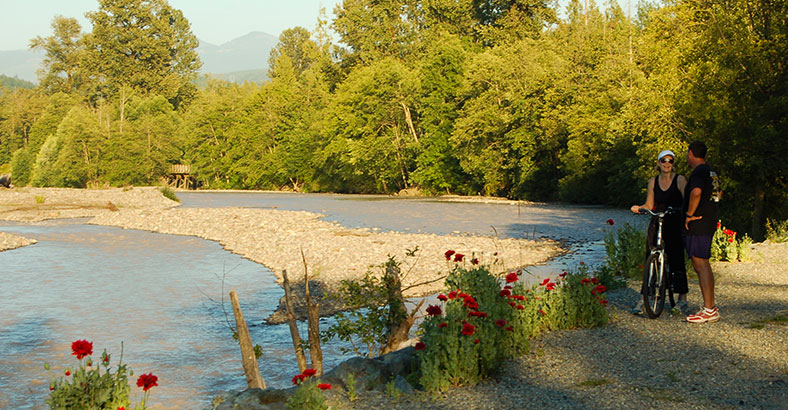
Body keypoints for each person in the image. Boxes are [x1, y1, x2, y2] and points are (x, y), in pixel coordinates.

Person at [630, 150, 689, 315]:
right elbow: (649, 204)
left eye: (670, 161)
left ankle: (682, 298)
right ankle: (644, 298)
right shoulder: (653, 182)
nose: (667, 163)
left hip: (674, 219)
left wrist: (684, 213)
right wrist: (639, 208)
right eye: (664, 160)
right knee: (650, 254)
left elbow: (688, 200)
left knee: (676, 256)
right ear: (658, 163)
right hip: (658, 218)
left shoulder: (680, 180)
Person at [683, 141, 721, 323]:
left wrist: (690, 214)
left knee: (700, 263)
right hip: (709, 219)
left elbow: (696, 192)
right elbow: (718, 194)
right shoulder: (712, 171)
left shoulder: (698, 171)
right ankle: (710, 307)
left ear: (691, 153)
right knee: (703, 263)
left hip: (699, 221)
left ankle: (709, 309)